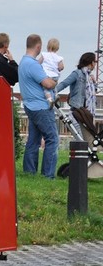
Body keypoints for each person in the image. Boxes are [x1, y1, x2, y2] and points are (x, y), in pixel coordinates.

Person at [18, 34, 58, 179]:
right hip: (41, 107)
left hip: (30, 105)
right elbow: (47, 83)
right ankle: (48, 175)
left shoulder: (23, 62)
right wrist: (54, 82)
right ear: (39, 47)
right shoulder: (33, 64)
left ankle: (30, 172)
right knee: (52, 139)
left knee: (33, 141)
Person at [55, 52, 97, 134]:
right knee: (81, 140)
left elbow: (91, 94)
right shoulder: (77, 73)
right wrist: (52, 93)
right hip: (77, 111)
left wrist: (94, 83)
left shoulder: (89, 77)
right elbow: (64, 83)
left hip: (85, 114)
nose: (95, 64)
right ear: (91, 62)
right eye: (95, 62)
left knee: (85, 141)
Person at [38, 38, 64, 106]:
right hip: (55, 76)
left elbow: (38, 63)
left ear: (47, 46)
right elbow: (61, 67)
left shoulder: (44, 55)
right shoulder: (59, 58)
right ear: (57, 48)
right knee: (54, 86)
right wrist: (58, 69)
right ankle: (56, 95)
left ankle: (49, 99)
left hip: (47, 75)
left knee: (46, 88)